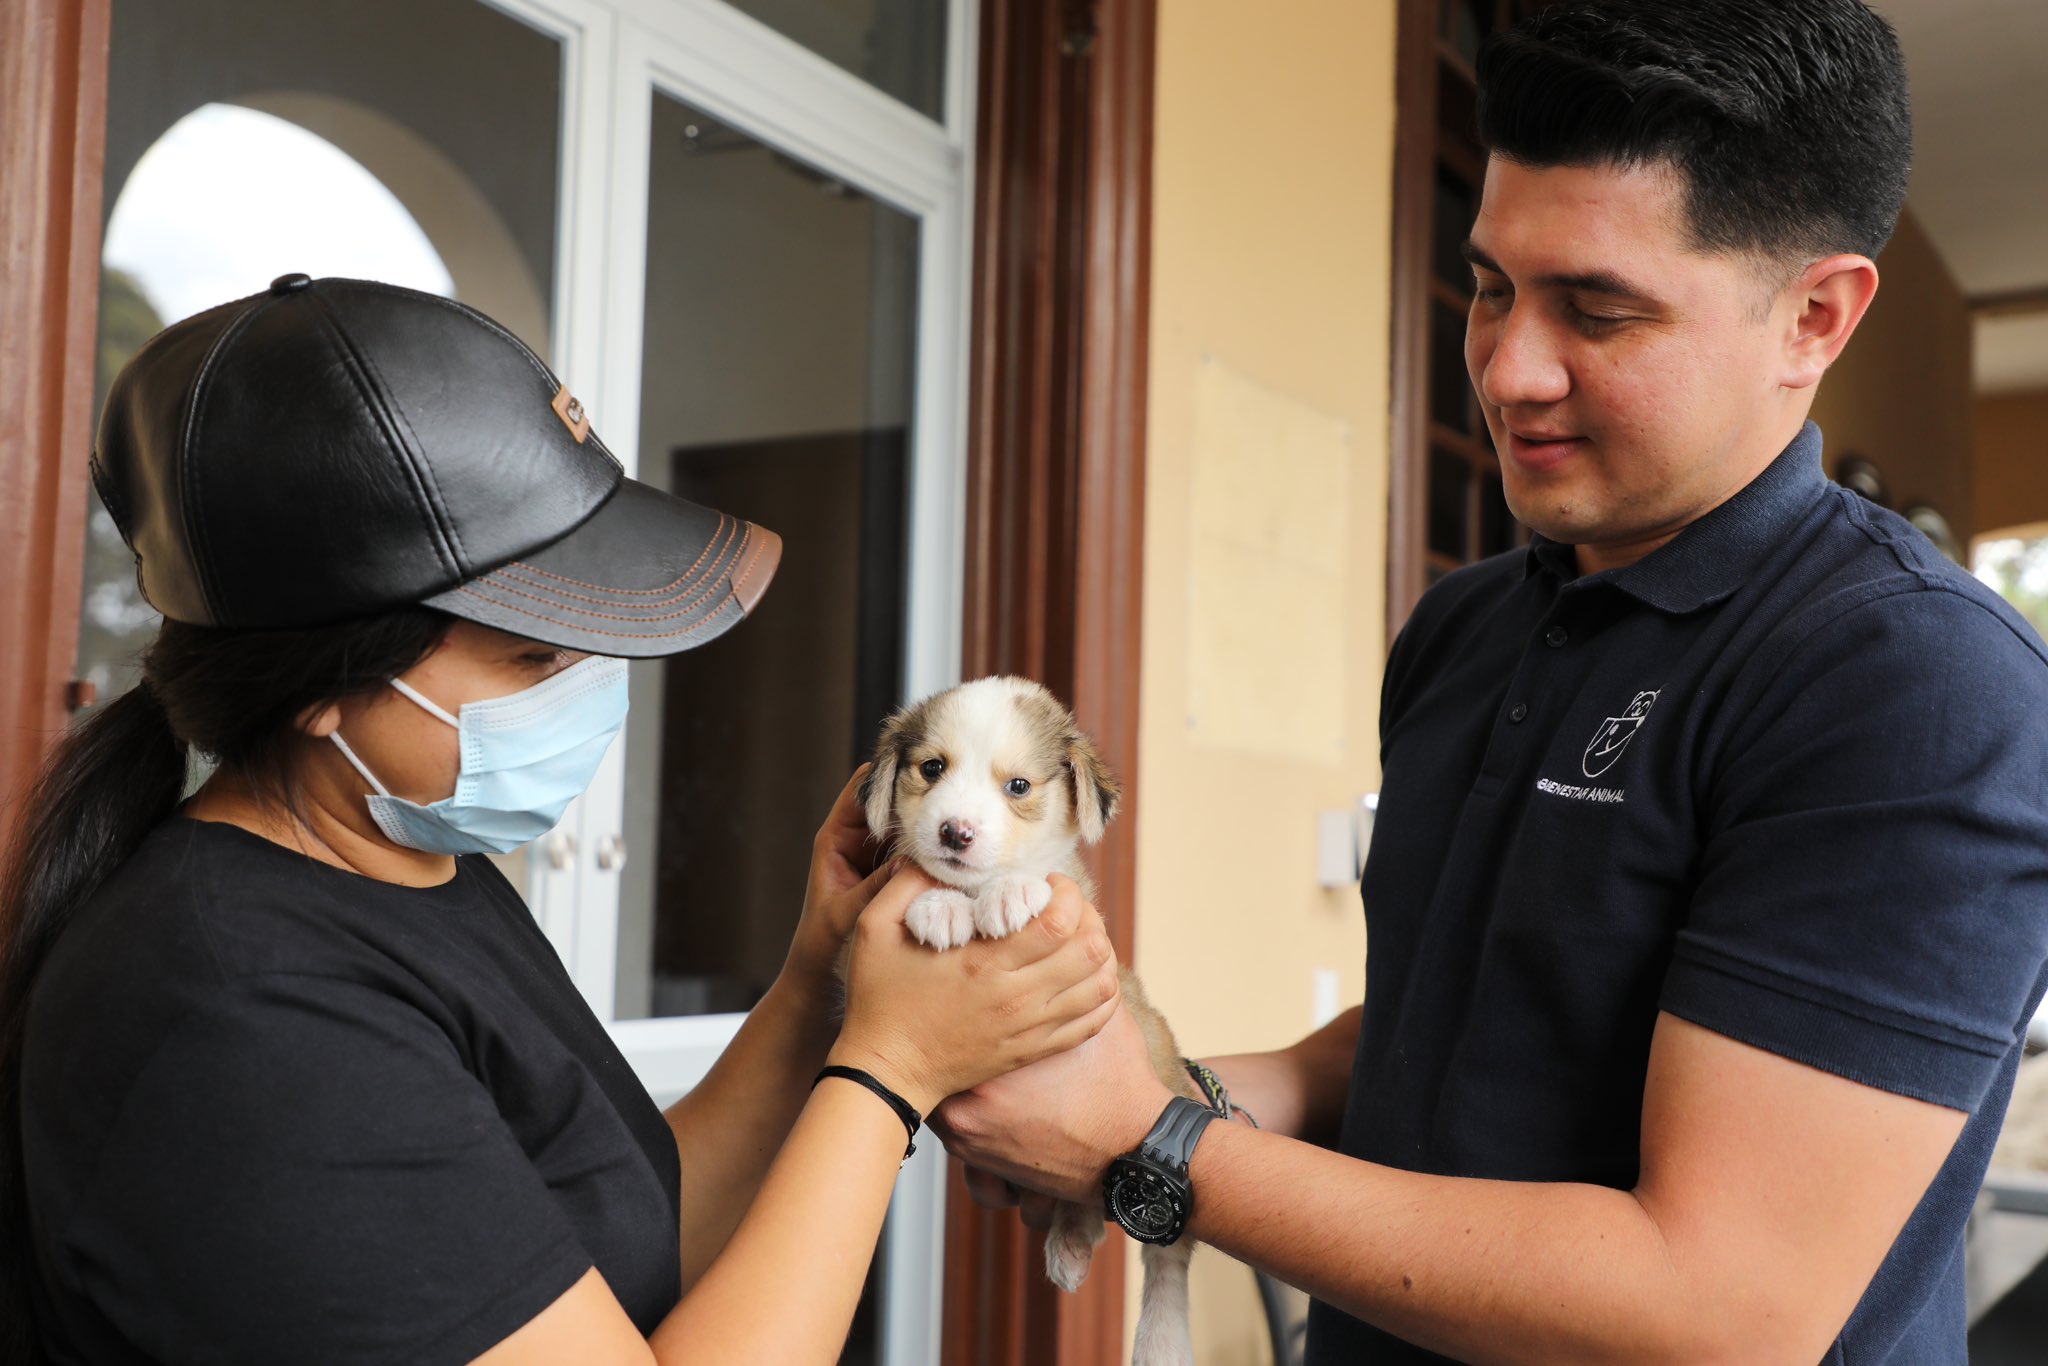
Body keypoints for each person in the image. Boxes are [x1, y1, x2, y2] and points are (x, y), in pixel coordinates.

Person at [934, 2, 2048, 1361]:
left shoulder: (1916, 683)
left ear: (1813, 315)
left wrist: (1151, 1142)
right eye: (1491, 286)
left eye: (1599, 311)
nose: (1510, 369)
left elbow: (1714, 1308)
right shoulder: (1469, 625)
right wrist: (1163, 1081)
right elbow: (1439, 1036)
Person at [0, 274, 1121, 1366]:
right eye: (533, 652)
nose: (586, 684)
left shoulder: (417, 860)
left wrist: (816, 985)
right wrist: (889, 1073)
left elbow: (606, 1246)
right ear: (318, 684)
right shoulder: (242, 1010)